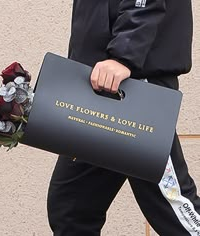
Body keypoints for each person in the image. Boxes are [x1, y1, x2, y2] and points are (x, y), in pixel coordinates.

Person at [47, 0, 200, 235]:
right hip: (100, 88)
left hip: (132, 84)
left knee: (175, 211)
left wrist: (123, 56)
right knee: (71, 208)